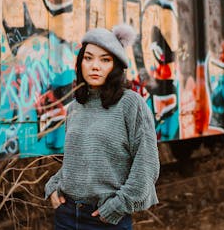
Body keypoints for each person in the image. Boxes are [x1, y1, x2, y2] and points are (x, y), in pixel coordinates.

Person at [45, 24, 160, 229]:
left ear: (115, 65)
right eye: (88, 58)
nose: (94, 66)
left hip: (105, 219)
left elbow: (146, 165)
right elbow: (75, 162)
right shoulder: (75, 107)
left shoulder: (131, 104)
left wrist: (117, 207)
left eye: (104, 60)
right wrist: (54, 186)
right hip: (67, 216)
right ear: (80, 63)